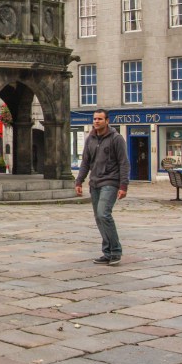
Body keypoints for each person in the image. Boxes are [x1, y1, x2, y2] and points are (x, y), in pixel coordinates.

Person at [75, 109, 129, 266]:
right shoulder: (90, 138)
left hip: (111, 181)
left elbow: (124, 163)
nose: (96, 121)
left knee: (103, 213)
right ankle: (107, 252)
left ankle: (116, 251)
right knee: (99, 218)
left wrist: (123, 185)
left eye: (100, 119)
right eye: (94, 119)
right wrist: (79, 181)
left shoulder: (116, 139)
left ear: (107, 121)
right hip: (95, 182)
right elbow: (85, 162)